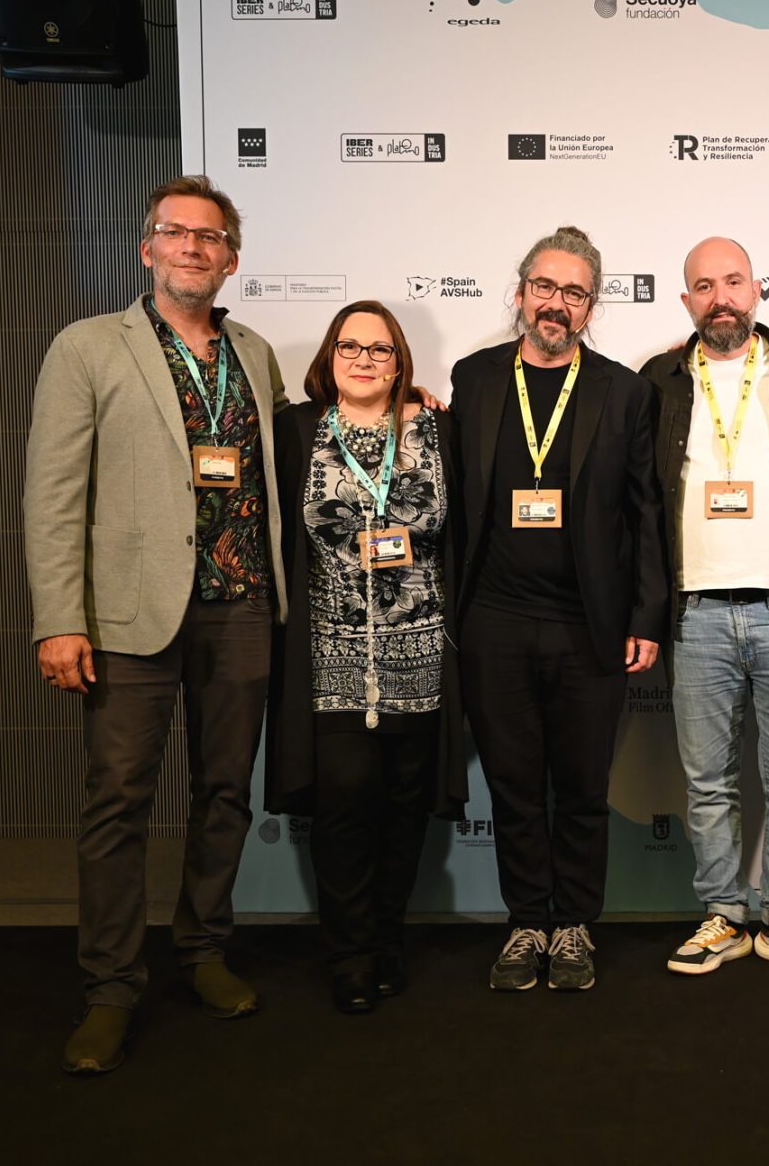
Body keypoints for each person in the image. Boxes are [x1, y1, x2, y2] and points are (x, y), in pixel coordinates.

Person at [23, 176, 287, 1073]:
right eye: (176, 233)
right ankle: (110, 987)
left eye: (209, 237)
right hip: (128, 614)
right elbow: (53, 495)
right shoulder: (88, 346)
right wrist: (60, 618)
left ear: (231, 259)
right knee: (119, 801)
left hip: (240, 606)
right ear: (147, 249)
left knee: (225, 794)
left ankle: (203, 950)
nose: (192, 247)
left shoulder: (254, 353)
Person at [450, 226, 669, 991]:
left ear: (591, 307)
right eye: (545, 286)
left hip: (589, 625)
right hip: (494, 620)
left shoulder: (624, 391)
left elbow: (646, 513)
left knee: (580, 788)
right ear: (520, 293)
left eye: (574, 292)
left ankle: (573, 924)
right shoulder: (475, 378)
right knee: (513, 786)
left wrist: (645, 617)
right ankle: (525, 923)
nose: (556, 303)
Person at [640, 237, 769, 980]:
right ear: (685, 300)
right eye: (703, 286)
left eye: (732, 282)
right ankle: (722, 912)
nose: (720, 298)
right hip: (694, 613)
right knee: (708, 784)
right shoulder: (657, 379)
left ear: (757, 290)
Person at [265, 300, 467, 1014]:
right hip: (331, 657)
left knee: (405, 809)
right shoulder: (298, 430)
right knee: (345, 807)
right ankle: (349, 953)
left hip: (420, 653)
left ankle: (387, 940)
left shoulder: (437, 430)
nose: (364, 360)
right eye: (349, 346)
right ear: (329, 356)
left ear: (400, 362)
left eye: (381, 350)